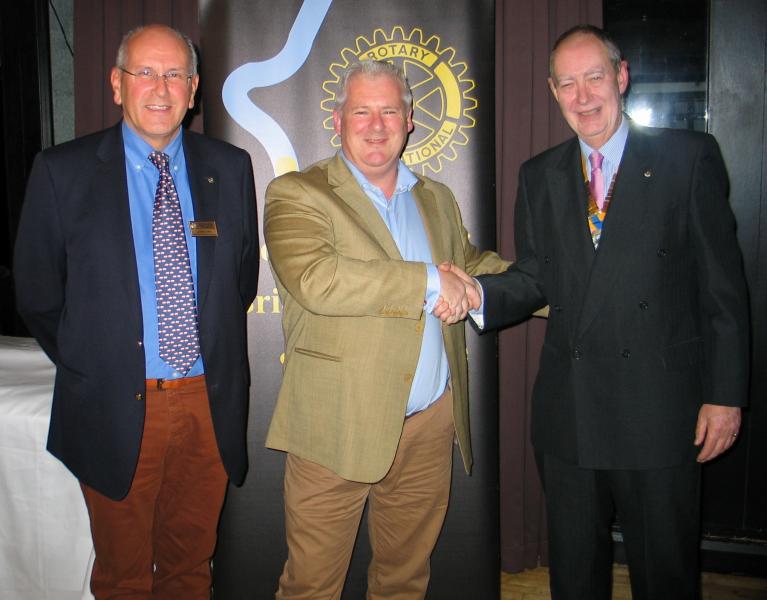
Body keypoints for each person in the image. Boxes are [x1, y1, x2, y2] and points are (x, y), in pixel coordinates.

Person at [448, 24, 750, 600]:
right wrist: (480, 295)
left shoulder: (687, 158)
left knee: (665, 576)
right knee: (576, 577)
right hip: (572, 413)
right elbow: (537, 276)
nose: (583, 96)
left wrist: (726, 394)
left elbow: (723, 291)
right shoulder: (540, 174)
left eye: (594, 77)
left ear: (621, 76)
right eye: (567, 83)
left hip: (660, 412)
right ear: (553, 91)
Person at [13, 24, 259, 599]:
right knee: (122, 575)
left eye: (174, 73)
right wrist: (95, 360)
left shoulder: (232, 167)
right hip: (113, 402)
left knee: (191, 566)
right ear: (116, 84)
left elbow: (238, 283)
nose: (160, 86)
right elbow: (39, 294)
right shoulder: (62, 171)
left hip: (206, 402)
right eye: (144, 72)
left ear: (194, 89)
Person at [263, 59, 509, 599]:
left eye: (389, 111)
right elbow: (317, 279)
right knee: (310, 587)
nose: (377, 125)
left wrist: (558, 290)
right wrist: (428, 280)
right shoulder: (298, 194)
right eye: (362, 112)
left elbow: (470, 265)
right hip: (336, 427)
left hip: (426, 427)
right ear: (337, 119)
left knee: (404, 581)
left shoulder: (436, 198)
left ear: (411, 118)